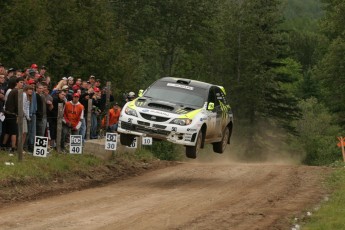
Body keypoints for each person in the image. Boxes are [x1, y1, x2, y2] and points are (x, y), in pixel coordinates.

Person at [1, 77, 24, 152]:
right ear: (16, 83)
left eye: (23, 82)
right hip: (12, 114)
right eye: (20, 82)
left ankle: (3, 146)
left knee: (7, 131)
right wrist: (18, 114)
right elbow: (18, 104)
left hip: (7, 113)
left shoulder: (12, 91)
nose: (22, 84)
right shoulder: (16, 91)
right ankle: (13, 148)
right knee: (14, 132)